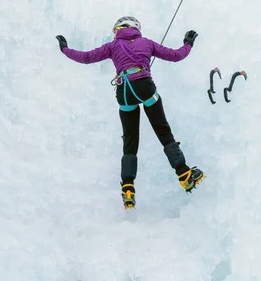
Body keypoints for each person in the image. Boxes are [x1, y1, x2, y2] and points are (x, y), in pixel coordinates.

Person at [55, 16, 205, 209]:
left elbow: (85, 58)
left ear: (118, 29)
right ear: (136, 28)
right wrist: (188, 44)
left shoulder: (112, 46)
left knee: (130, 140)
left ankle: (128, 188)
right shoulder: (146, 42)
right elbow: (176, 55)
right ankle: (184, 174)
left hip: (124, 91)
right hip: (144, 86)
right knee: (163, 131)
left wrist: (65, 49)